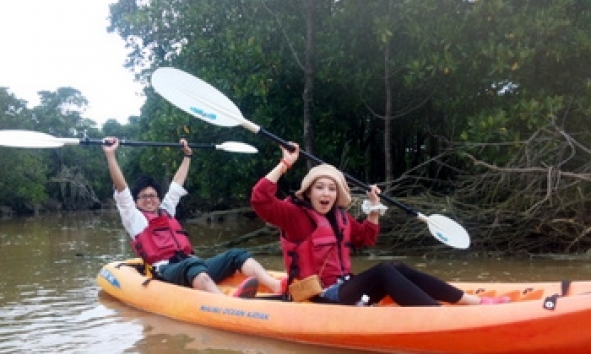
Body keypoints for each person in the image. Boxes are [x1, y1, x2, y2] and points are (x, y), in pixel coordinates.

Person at [251, 143, 511, 306]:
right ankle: (437, 314)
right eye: (319, 187)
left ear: (338, 194)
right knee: (385, 270)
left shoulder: (340, 218)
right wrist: (285, 163)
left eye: (332, 188)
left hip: (344, 290)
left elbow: (365, 238)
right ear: (308, 192)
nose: (326, 193)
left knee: (395, 266)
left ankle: (473, 302)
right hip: (317, 297)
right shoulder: (295, 216)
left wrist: (374, 207)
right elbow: (260, 199)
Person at [102, 136, 285, 298]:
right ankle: (225, 302)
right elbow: (122, 189)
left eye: (153, 195)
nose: (149, 199)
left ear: (158, 198)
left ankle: (276, 286)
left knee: (236, 255)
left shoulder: (166, 210)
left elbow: (176, 184)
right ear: (136, 202)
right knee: (194, 268)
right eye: (144, 196)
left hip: (190, 263)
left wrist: (187, 156)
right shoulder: (135, 220)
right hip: (166, 271)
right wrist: (111, 155)